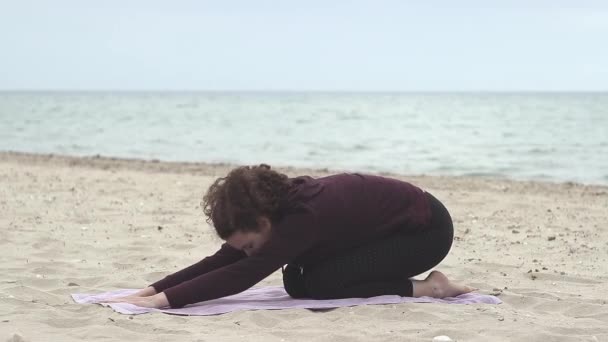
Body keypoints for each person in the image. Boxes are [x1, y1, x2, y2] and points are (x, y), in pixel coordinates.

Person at [107, 164, 474, 308]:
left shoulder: (303, 216)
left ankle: (431, 288)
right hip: (383, 232)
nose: (248, 252)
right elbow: (226, 260)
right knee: (299, 282)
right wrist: (152, 290)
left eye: (251, 244)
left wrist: (162, 304)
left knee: (322, 282)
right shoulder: (275, 210)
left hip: (426, 232)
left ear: (264, 221)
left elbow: (242, 275)